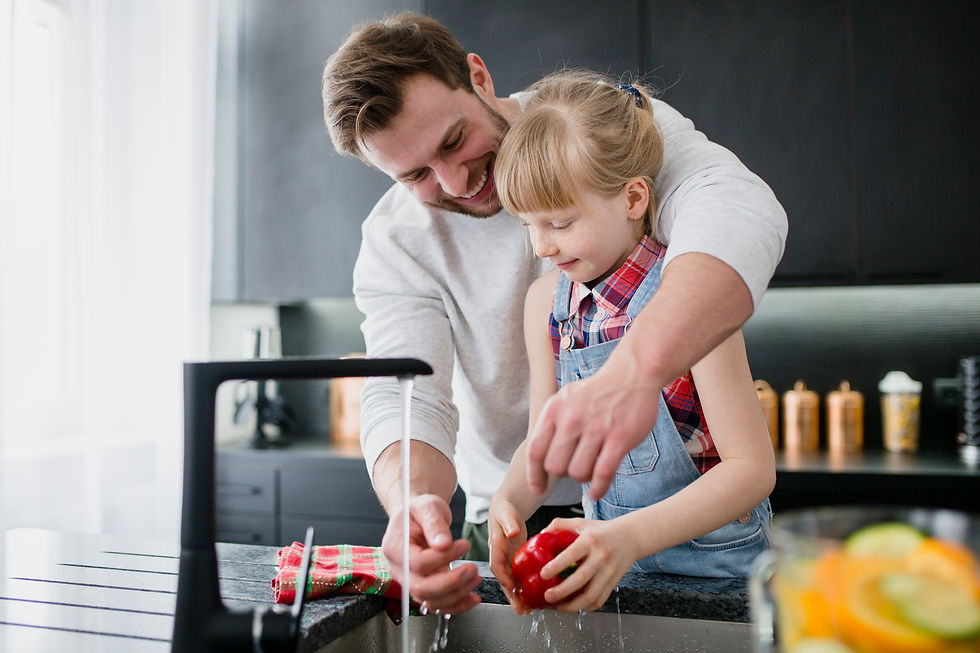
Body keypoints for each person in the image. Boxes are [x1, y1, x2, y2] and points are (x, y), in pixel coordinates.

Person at [321, 12, 786, 615]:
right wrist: (413, 504)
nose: (457, 183)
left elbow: (734, 206)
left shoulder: (597, 124)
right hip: (530, 522)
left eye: (453, 140)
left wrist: (634, 373)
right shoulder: (398, 244)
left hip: (702, 550)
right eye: (415, 175)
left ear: (478, 78)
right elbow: (409, 394)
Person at [486, 71, 776, 614]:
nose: (542, 246)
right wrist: (510, 497)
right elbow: (543, 444)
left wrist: (628, 538)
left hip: (721, 577)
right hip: (612, 574)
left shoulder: (689, 295)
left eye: (561, 222)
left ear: (634, 198)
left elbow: (751, 472)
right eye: (527, 225)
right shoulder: (544, 305)